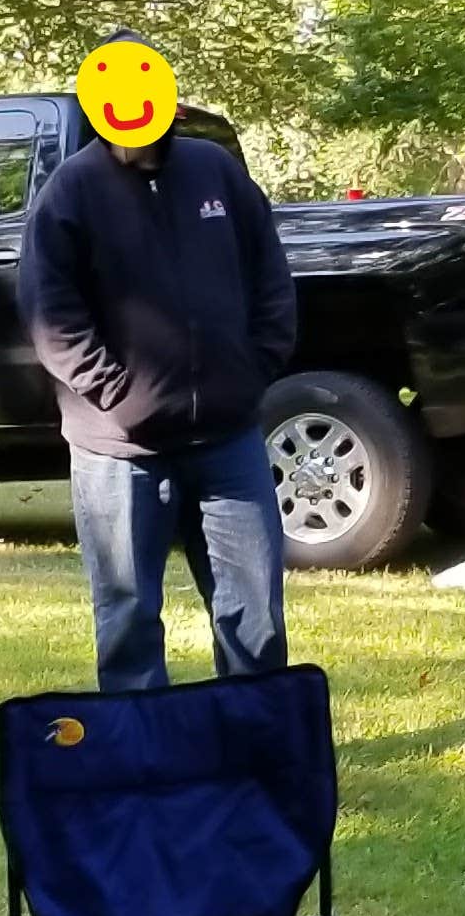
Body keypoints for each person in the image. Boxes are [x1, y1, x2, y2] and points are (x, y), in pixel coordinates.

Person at [20, 35, 299, 692]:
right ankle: (145, 754)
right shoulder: (71, 191)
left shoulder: (217, 172)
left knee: (254, 612)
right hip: (117, 451)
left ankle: (258, 747)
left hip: (228, 439)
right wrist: (117, 394)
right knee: (127, 615)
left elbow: (271, 276)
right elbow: (50, 315)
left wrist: (255, 365)